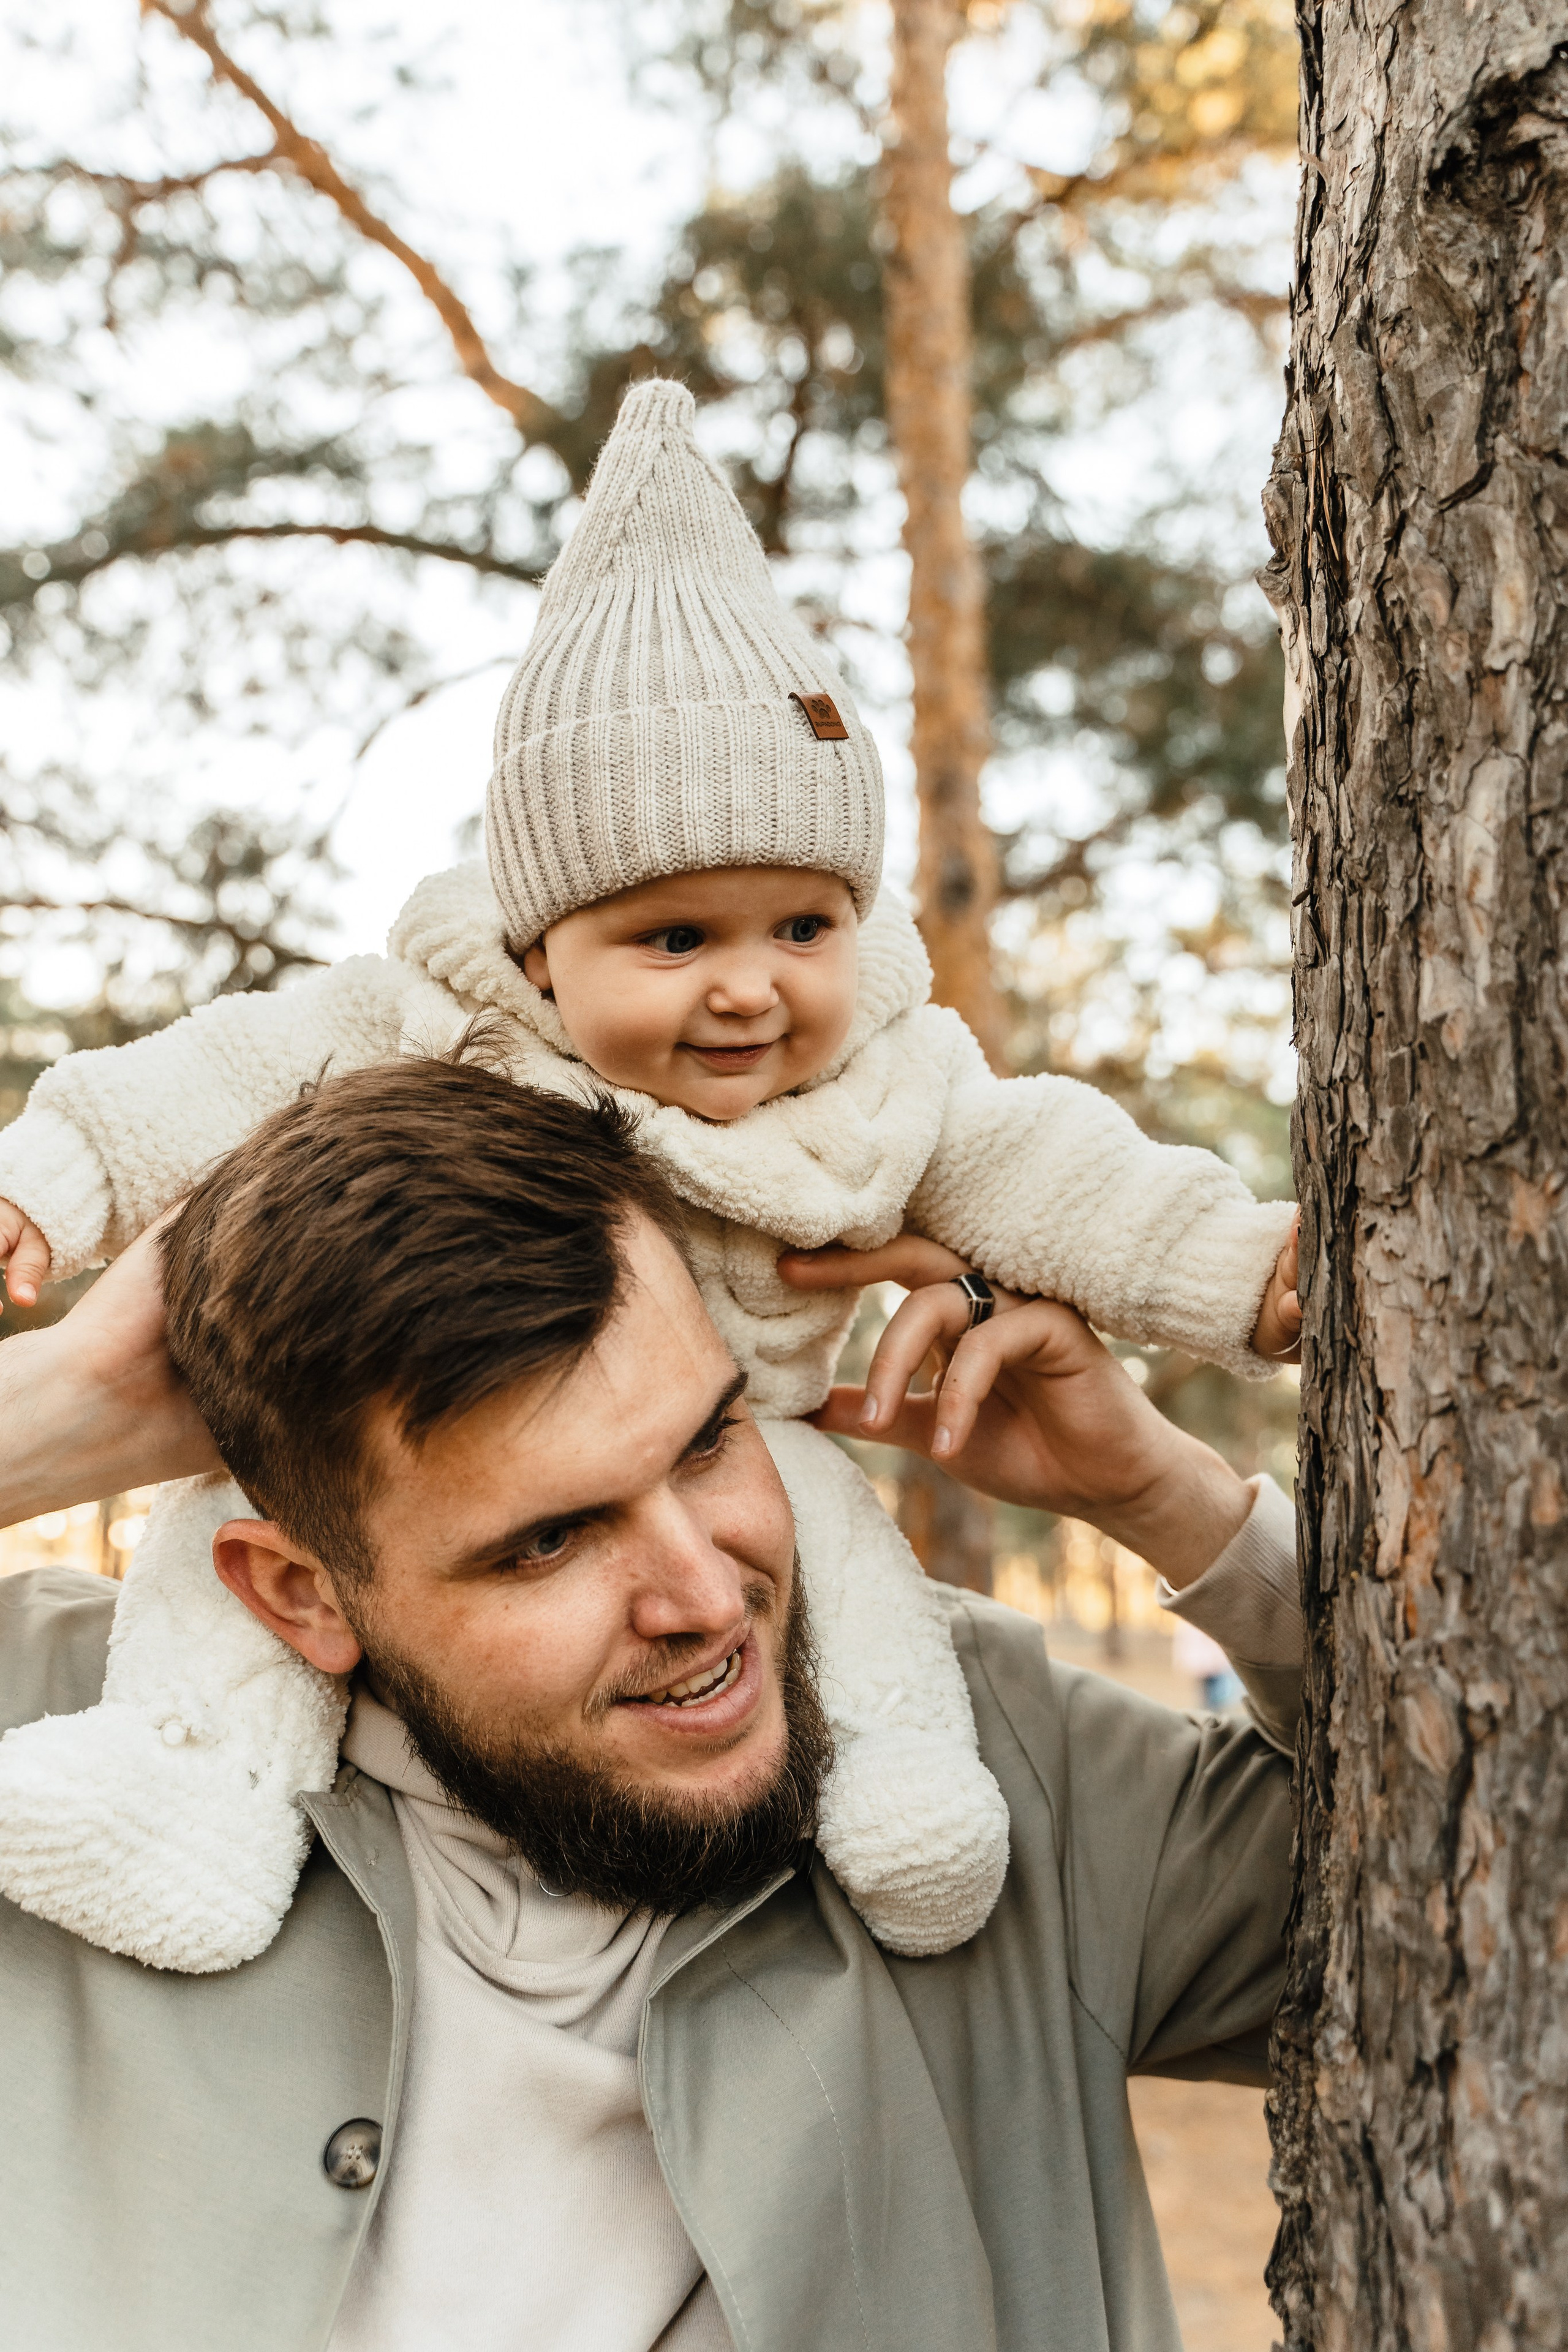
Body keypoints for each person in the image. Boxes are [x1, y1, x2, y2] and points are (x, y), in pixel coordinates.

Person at [0, 377, 1300, 1969]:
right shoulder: (418, 1027)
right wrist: (52, 1310)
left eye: (800, 928)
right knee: (216, 1566)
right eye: (675, 939)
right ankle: (190, 1792)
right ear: (542, 956)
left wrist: (1220, 1337)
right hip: (272, 1544)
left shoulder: (884, 1085)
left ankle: (895, 1779)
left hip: (802, 1444)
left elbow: (1054, 1168)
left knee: (843, 1556)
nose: (750, 990)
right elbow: (199, 1077)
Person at [0, 1057, 1300, 2352]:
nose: (705, 1596)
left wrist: (1163, 1499)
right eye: (549, 1540)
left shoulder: (987, 1761)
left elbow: (1469, 1840)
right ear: (300, 1597)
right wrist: (55, 1416)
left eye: (708, 1441)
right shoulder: (66, 1765)